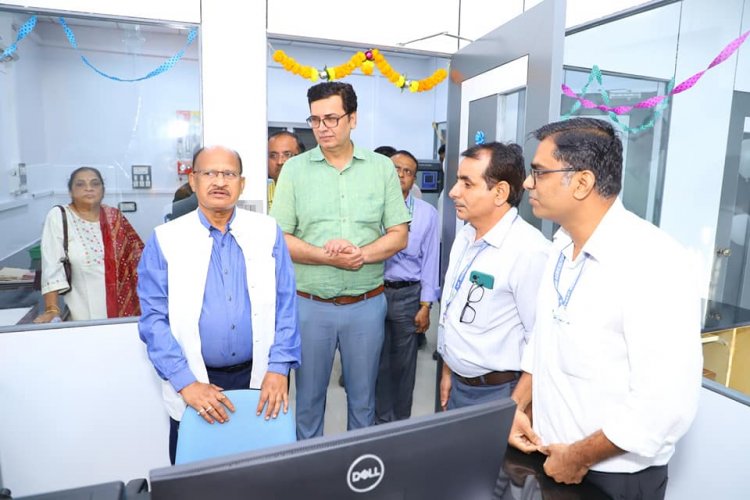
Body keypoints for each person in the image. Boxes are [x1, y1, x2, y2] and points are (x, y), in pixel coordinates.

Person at [509, 118, 702, 499]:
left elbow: (665, 404)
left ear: (581, 182)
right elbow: (544, 341)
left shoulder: (654, 261)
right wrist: (516, 408)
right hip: (551, 456)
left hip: (612, 476)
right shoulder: (561, 248)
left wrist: (579, 457)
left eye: (539, 172)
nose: (528, 183)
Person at [137, 145, 301, 464]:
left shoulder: (267, 231)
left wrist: (279, 368)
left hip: (260, 377)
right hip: (195, 381)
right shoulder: (166, 239)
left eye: (228, 173)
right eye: (209, 173)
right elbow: (153, 321)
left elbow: (286, 305)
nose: (219, 181)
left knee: (261, 473)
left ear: (242, 183)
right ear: (193, 181)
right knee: (197, 478)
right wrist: (186, 383)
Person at [270, 81, 410, 439]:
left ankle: (358, 480)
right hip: (310, 305)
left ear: (353, 119)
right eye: (315, 120)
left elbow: (399, 233)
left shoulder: (381, 168)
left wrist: (361, 255)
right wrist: (327, 257)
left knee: (363, 402)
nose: (323, 127)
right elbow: (280, 239)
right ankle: (309, 480)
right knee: (308, 402)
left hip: (365, 304)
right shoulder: (295, 171)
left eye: (332, 118)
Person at [437, 142, 549, 410]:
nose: (453, 192)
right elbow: (455, 310)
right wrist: (449, 370)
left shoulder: (529, 251)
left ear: (500, 192)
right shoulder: (465, 235)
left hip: (499, 393)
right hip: (459, 383)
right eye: (456, 181)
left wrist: (518, 407)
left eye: (467, 183)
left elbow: (541, 342)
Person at [375, 149, 440, 423]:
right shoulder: (370, 208)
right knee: (375, 362)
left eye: (407, 171)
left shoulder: (427, 214)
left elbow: (430, 263)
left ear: (414, 179)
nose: (400, 175)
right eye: (395, 169)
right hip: (373, 293)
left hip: (407, 295)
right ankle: (377, 420)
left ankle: (400, 422)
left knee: (404, 364)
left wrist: (426, 305)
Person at [34, 167, 143, 323]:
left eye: (95, 183)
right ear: (70, 191)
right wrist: (52, 309)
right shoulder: (60, 216)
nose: (89, 188)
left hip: (124, 312)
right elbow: (52, 266)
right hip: (84, 314)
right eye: (80, 184)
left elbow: (139, 261)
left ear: (103, 190)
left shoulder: (114, 217)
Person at [267, 131, 305, 211]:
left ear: (302, 158)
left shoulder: (314, 195)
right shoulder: (258, 194)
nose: (280, 162)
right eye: (273, 156)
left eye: (287, 155)